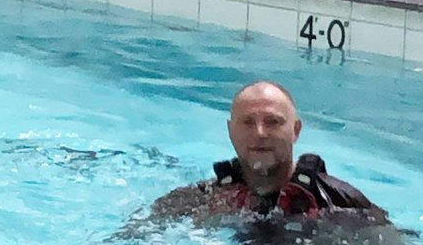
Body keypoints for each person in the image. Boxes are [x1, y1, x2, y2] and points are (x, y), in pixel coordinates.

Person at [148, 80, 388, 223]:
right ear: (231, 131)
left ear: (296, 130)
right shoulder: (200, 200)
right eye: (248, 122)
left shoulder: (344, 204)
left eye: (273, 122)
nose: (260, 133)